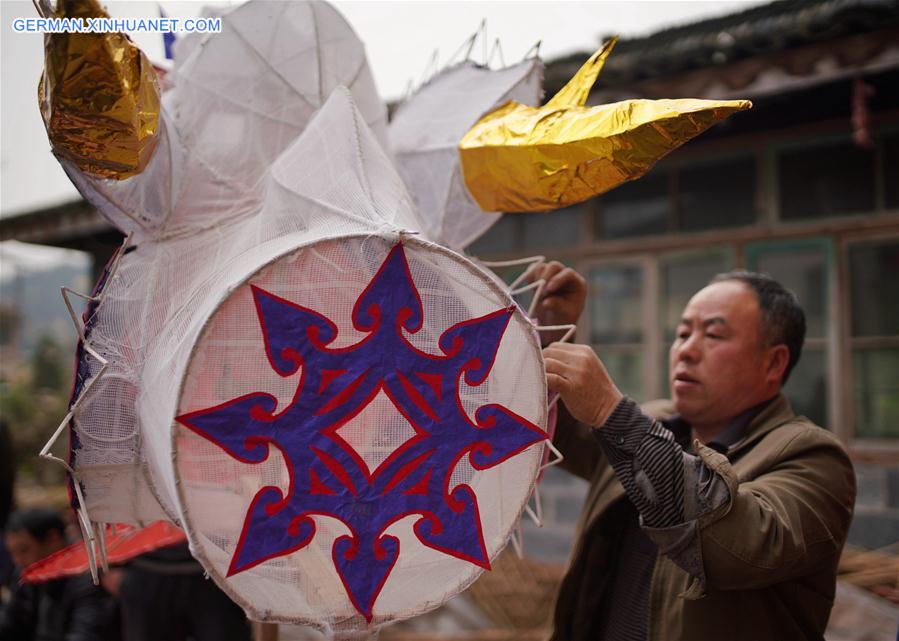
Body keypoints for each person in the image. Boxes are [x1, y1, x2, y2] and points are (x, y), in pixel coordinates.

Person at [529, 262, 856, 641]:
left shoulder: (813, 457)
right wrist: (550, 337)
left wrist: (611, 414)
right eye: (682, 333)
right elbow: (556, 428)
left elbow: (734, 544)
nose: (686, 350)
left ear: (773, 362)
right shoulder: (657, 422)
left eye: (713, 336)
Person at [0, 507, 119, 641]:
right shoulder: (26, 571)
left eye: (24, 550)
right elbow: (12, 618)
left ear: (53, 538)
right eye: (13, 554)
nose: (18, 561)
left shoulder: (88, 574)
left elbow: (86, 632)